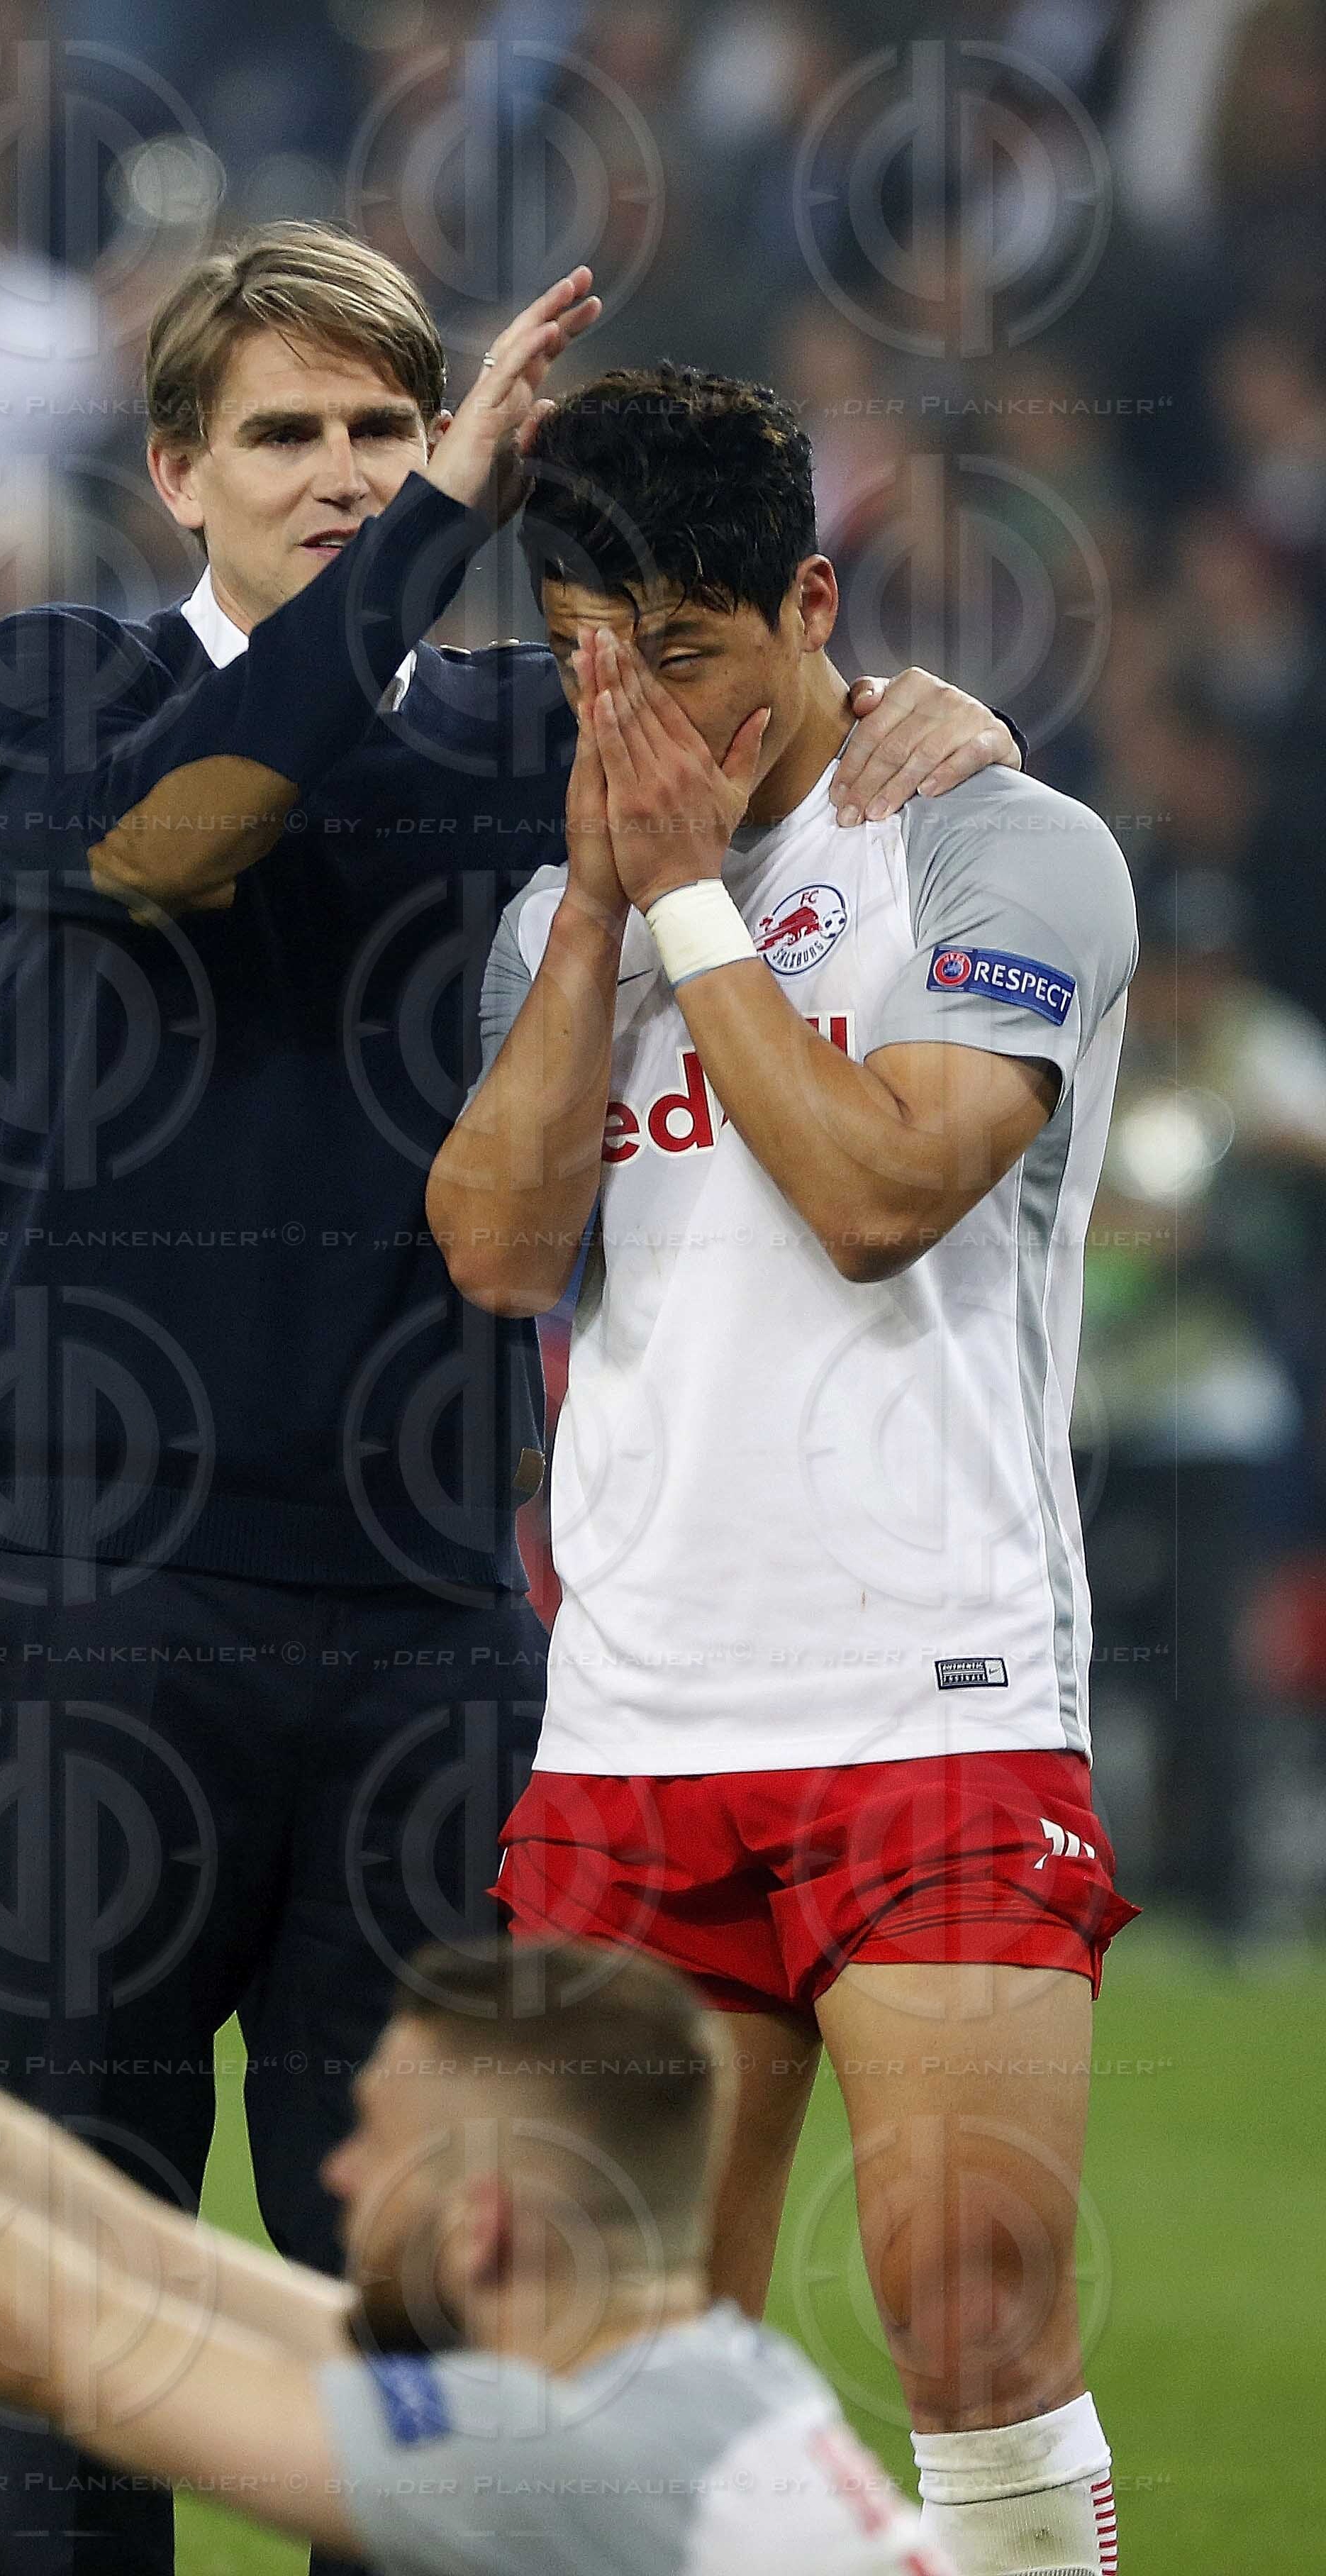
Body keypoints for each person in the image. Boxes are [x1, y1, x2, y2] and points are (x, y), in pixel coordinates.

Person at [0, 221, 1020, 2576]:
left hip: (426, 1626)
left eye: (376, 434)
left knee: (426, 2340)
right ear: (171, 471)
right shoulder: (52, 687)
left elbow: (784, 739)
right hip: (92, 1610)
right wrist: (446, 507)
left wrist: (939, 727)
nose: (336, 479)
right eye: (287, 438)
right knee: (77, 2310)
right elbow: (181, 836)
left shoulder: (522, 743)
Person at [430, 365, 1137, 2576]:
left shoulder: (996, 844)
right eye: (585, 663)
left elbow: (875, 1193)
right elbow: (498, 1248)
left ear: (814, 602)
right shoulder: (563, 915)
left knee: (973, 2314)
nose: (638, 718)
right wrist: (599, 912)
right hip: (636, 1711)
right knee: (599, 2369)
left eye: (695, 658)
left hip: (928, 1695)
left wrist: (700, 914)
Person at [0, 1923, 949, 2572]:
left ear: (488, 2220)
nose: (337, 2174)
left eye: (378, 2140)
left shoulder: (551, 2453)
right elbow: (134, 2249)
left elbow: (50, 2339)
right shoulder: (696, 2377)